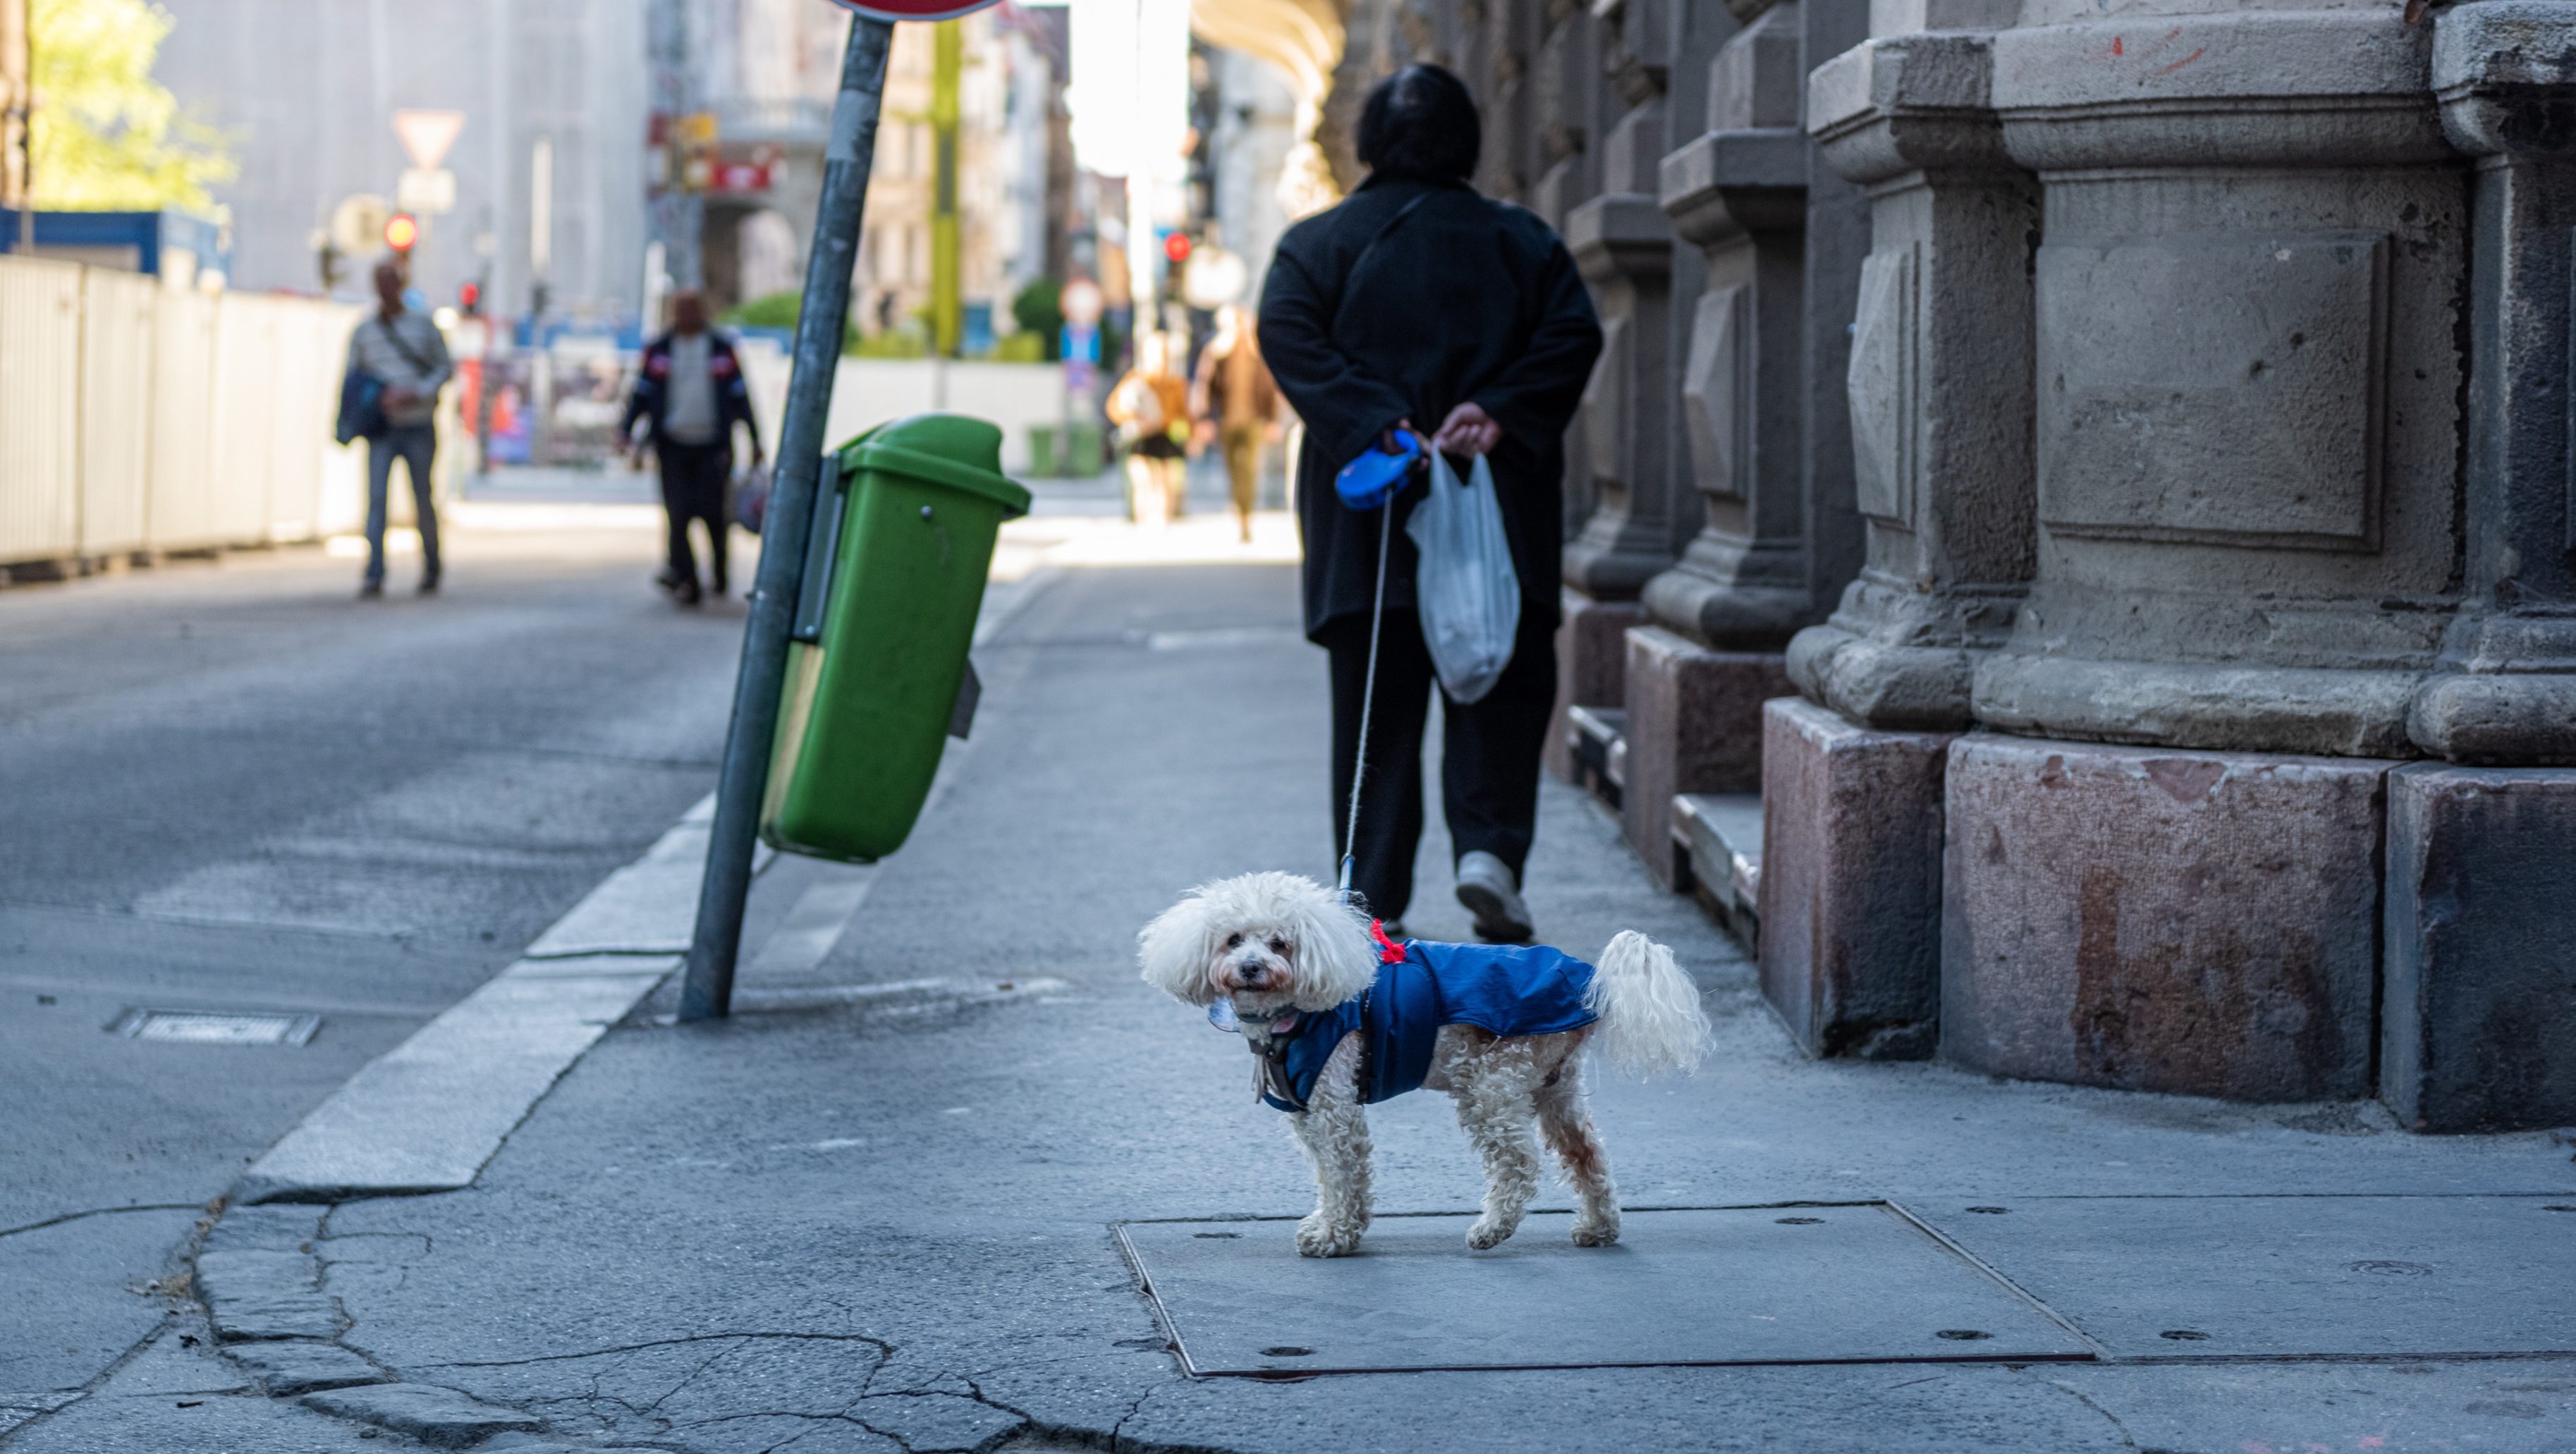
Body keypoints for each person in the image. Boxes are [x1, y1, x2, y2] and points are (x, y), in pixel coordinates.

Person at [1258, 63, 1604, 942]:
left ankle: (1369, 895)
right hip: (1497, 524)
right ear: (1469, 143)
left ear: (1367, 144)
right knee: (1499, 688)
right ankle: (1488, 855)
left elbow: (1286, 332)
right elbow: (1573, 334)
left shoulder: (1315, 246)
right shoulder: (1522, 242)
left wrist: (1373, 420)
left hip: (1365, 532)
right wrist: (1496, 411)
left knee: (1375, 705)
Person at [621, 290, 763, 605]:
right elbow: (642, 393)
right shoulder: (660, 349)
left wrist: (754, 439)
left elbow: (740, 396)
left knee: (713, 512)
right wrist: (626, 430)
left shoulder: (720, 349)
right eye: (680, 310)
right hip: (672, 444)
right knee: (678, 512)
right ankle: (683, 575)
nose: (686, 316)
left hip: (713, 445)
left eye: (692, 309)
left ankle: (719, 571)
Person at [348, 259, 453, 598]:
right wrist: (369, 405)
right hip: (382, 428)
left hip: (418, 425)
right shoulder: (365, 331)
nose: (386, 288)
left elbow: (445, 368)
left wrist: (417, 393)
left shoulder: (423, 326)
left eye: (391, 281)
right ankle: (374, 573)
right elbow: (354, 380)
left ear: (402, 284)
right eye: (379, 282)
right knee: (376, 500)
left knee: (422, 499)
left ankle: (431, 569)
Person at [1190, 304, 1282, 544]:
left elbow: (1269, 389)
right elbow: (1204, 387)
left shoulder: (1257, 352)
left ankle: (1245, 516)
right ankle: (1238, 506)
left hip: (1253, 420)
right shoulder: (1217, 352)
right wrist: (1204, 420)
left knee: (1249, 469)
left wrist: (1272, 420)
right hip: (1226, 421)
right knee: (1232, 469)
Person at [1106, 333, 1191, 525]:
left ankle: (1162, 523)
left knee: (1164, 484)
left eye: (1164, 353)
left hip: (1165, 437)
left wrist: (1185, 433)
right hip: (1140, 437)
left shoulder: (1175, 383)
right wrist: (1137, 420)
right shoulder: (1135, 379)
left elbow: (1183, 414)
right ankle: (1143, 522)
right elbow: (1115, 407)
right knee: (1143, 482)